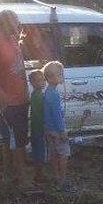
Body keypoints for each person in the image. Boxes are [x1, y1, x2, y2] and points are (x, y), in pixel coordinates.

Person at [0, 9, 30, 189]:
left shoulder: (12, 39)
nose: (18, 24)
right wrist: (2, 102)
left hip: (21, 98)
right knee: (17, 141)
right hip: (9, 101)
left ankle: (8, 175)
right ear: (6, 23)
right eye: (15, 21)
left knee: (12, 138)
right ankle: (22, 177)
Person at [42, 60, 75, 192]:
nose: (62, 76)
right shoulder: (54, 95)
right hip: (57, 130)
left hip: (49, 130)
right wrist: (62, 131)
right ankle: (62, 180)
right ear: (50, 78)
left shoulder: (48, 92)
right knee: (63, 154)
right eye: (60, 74)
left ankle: (55, 177)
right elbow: (56, 115)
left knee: (53, 154)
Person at [28, 69, 48, 182]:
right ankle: (39, 174)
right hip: (39, 128)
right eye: (40, 81)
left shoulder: (37, 94)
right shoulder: (38, 96)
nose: (43, 82)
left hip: (37, 128)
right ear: (33, 83)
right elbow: (39, 113)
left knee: (38, 150)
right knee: (39, 150)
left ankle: (39, 172)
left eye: (44, 80)